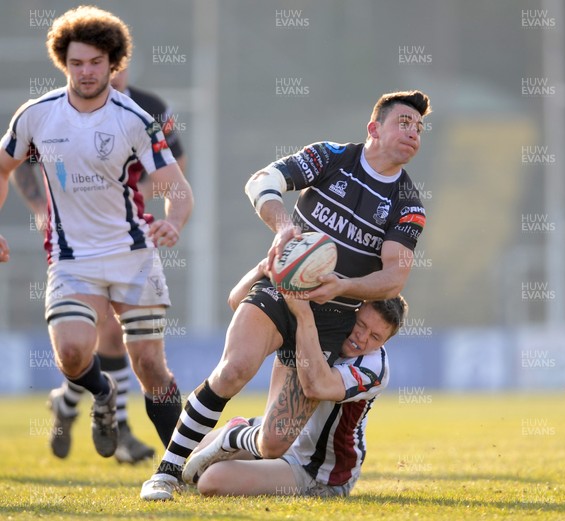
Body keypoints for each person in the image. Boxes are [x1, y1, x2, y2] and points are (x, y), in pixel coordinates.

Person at [141, 90, 429, 499]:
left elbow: (394, 277)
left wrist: (343, 286)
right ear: (373, 129)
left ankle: (232, 436)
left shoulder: (408, 203)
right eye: (404, 123)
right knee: (234, 368)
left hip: (332, 320)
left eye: (419, 127)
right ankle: (166, 473)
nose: (414, 132)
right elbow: (262, 180)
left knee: (274, 441)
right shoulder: (331, 157)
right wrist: (282, 226)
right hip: (283, 288)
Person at [0, 5, 193, 459]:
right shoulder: (36, 114)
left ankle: (181, 465)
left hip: (133, 254)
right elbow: (4, 166)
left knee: (150, 365)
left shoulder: (137, 119)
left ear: (114, 63)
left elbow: (176, 186)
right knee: (70, 353)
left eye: (95, 63)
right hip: (72, 258)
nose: (86, 72)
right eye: (76, 63)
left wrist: (173, 220)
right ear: (63, 63)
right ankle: (102, 395)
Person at [192, 292, 406, 497]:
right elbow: (238, 300)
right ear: (354, 312)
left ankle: (236, 436)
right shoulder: (328, 327)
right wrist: (267, 270)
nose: (362, 337)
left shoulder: (374, 366)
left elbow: (317, 387)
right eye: (361, 324)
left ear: (385, 342)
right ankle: (252, 437)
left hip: (317, 470)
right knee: (195, 459)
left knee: (211, 481)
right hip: (282, 435)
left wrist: (303, 314)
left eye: (376, 336)